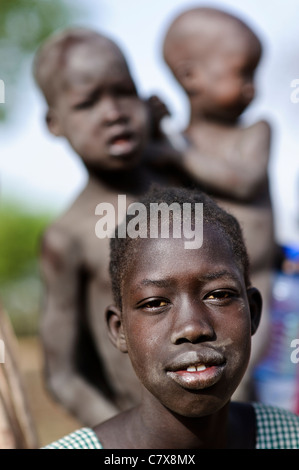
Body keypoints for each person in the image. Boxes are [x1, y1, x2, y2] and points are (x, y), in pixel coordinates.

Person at [43, 186, 299, 449]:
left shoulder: (290, 438)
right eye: (155, 303)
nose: (192, 328)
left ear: (253, 312)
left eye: (218, 295)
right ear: (119, 329)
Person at [33, 27, 174, 427]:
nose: (113, 113)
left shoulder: (196, 183)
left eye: (124, 92)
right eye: (87, 103)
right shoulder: (69, 236)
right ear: (54, 122)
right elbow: (63, 376)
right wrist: (133, 440)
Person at [161, 7, 276, 400]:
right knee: (219, 384)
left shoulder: (255, 132)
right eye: (242, 73)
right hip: (206, 296)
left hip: (260, 284)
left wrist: (175, 154)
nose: (252, 88)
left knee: (247, 385)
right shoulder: (171, 146)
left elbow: (244, 180)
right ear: (191, 76)